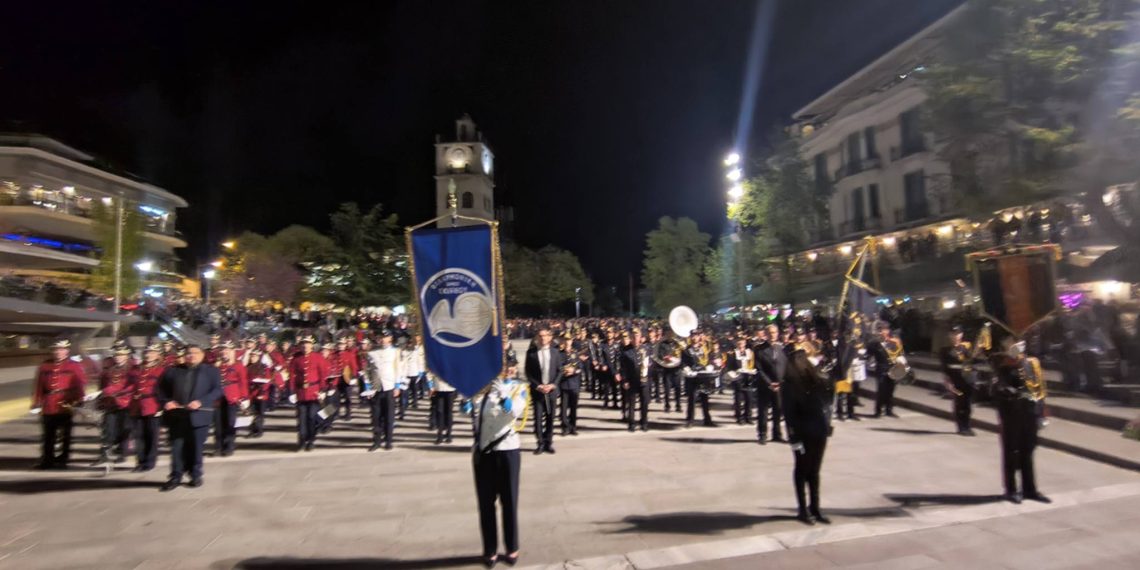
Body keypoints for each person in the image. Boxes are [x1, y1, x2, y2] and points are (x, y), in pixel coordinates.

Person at [470, 367, 528, 567]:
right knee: (486, 504)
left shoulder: (519, 388)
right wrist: (466, 401)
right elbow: (471, 414)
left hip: (507, 451)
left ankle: (512, 546)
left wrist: (502, 393)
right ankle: (490, 549)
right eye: (503, 367)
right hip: (484, 452)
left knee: (509, 502)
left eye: (511, 366)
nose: (507, 370)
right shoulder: (482, 391)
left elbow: (512, 412)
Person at [991, 337, 1051, 504]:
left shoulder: (1032, 363)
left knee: (1028, 450)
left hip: (1030, 412)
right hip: (1011, 413)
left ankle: (1029, 489)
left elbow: (1040, 388)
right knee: (1011, 451)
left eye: (1018, 343)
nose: (1017, 346)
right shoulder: (1001, 363)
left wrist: (1042, 412)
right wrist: (1010, 391)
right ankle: (1011, 489)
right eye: (1012, 343)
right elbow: (998, 385)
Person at [156, 345, 223, 491]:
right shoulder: (173, 371)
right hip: (177, 415)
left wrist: (201, 402)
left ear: (202, 355)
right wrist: (166, 402)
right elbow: (159, 390)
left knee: (196, 447)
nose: (191, 356)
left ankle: (195, 474)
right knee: (177, 447)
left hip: (199, 414)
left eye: (195, 353)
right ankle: (175, 476)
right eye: (188, 353)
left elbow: (217, 390)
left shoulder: (211, 371)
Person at [782, 349, 834, 525]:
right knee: (802, 469)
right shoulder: (789, 384)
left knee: (815, 470)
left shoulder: (816, 379)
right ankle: (803, 509)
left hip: (819, 430)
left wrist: (822, 371)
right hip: (802, 432)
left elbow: (828, 397)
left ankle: (815, 507)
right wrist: (793, 437)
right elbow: (789, 413)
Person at [32, 339, 86, 470]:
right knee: (48, 435)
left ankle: (63, 459)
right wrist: (36, 403)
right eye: (56, 350)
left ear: (67, 351)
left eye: (62, 350)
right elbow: (39, 386)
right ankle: (47, 460)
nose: (58, 352)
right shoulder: (45, 366)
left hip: (65, 404)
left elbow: (80, 384)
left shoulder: (74, 366)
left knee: (65, 435)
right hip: (49, 404)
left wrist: (79, 400)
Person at [96, 344, 136, 465]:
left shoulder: (132, 370)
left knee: (124, 429)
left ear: (126, 356)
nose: (118, 357)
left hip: (125, 404)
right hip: (111, 404)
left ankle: (123, 453)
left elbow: (132, 386)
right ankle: (105, 454)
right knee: (108, 429)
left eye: (121, 355)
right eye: (117, 355)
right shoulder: (110, 370)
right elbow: (103, 385)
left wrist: (113, 391)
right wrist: (101, 400)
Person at [525, 327, 563, 454]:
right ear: (537, 338)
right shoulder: (531, 353)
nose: (543, 338)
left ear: (550, 337)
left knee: (550, 418)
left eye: (545, 335)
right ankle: (540, 443)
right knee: (538, 419)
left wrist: (553, 385)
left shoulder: (555, 352)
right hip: (538, 391)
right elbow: (528, 372)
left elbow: (560, 370)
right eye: (540, 336)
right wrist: (538, 386)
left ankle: (548, 443)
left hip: (551, 391)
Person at [289, 336, 330, 452]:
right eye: (303, 343)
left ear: (312, 345)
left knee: (312, 417)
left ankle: (311, 440)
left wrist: (323, 390)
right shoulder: (296, 358)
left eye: (307, 343)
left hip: (314, 392)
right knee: (301, 418)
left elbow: (322, 375)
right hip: (301, 392)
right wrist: (292, 391)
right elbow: (292, 375)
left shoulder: (318, 357)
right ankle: (302, 440)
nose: (305, 346)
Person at [130, 344, 165, 472]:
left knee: (152, 436)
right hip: (137, 405)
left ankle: (150, 462)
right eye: (147, 352)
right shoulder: (138, 369)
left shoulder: (161, 370)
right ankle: (140, 462)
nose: (148, 355)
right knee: (139, 436)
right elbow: (131, 385)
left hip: (153, 405)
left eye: (152, 352)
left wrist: (161, 406)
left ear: (158, 355)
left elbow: (164, 389)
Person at [365, 330, 402, 451]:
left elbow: (398, 369)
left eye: (385, 337)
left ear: (390, 338)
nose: (382, 340)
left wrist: (397, 385)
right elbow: (367, 370)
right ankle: (376, 441)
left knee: (389, 415)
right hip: (376, 388)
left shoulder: (395, 352)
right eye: (380, 337)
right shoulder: (372, 353)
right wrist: (367, 387)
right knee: (376, 416)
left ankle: (388, 440)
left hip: (389, 387)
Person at [941, 326, 978, 436]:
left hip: (968, 379)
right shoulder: (945, 350)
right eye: (953, 334)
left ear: (961, 335)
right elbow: (945, 367)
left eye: (957, 333)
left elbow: (973, 360)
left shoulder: (967, 347)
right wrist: (947, 381)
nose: (955, 336)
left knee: (968, 404)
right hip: (956, 380)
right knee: (959, 403)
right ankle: (961, 427)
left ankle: (967, 426)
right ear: (949, 335)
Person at [214, 341, 249, 457]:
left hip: (232, 397)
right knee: (218, 423)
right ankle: (218, 447)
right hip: (218, 398)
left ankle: (229, 446)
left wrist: (244, 397)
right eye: (222, 350)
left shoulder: (238, 365)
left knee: (230, 423)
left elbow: (243, 382)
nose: (224, 352)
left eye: (227, 350)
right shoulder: (217, 365)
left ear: (232, 351)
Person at [755, 325, 787, 443]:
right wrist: (769, 383)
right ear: (766, 334)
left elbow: (785, 366)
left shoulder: (781, 348)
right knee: (763, 410)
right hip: (765, 385)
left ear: (778, 333)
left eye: (774, 332)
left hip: (779, 385)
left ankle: (777, 434)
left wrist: (781, 382)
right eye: (770, 333)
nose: (772, 335)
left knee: (777, 410)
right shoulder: (759, 349)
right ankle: (762, 434)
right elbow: (759, 369)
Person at [618, 329, 652, 432]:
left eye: (637, 336)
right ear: (631, 338)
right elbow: (623, 368)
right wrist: (624, 380)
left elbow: (651, 362)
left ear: (640, 337)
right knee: (631, 403)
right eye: (633, 337)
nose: (635, 339)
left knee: (644, 402)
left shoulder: (646, 348)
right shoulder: (625, 351)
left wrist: (649, 365)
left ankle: (644, 423)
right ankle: (631, 423)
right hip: (632, 380)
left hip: (644, 380)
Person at [867, 326, 900, 418]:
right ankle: (878, 411)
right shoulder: (875, 343)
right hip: (881, 368)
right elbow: (868, 354)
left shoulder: (894, 342)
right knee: (881, 391)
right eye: (881, 331)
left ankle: (889, 410)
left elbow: (899, 355)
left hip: (892, 368)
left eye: (885, 330)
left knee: (890, 390)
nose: (883, 332)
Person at [557, 335, 583, 436]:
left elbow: (580, 367)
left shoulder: (575, 353)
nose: (568, 342)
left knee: (573, 408)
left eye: (569, 340)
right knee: (563, 408)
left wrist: (574, 371)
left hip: (574, 384)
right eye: (566, 340)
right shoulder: (560, 354)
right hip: (564, 384)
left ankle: (573, 427)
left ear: (572, 341)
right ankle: (565, 427)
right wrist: (565, 371)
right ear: (563, 341)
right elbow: (558, 367)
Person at [430, 372, 457, 444]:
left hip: (450, 388)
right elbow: (430, 371)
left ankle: (449, 434)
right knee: (439, 411)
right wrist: (430, 386)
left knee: (449, 412)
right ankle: (440, 435)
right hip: (438, 388)